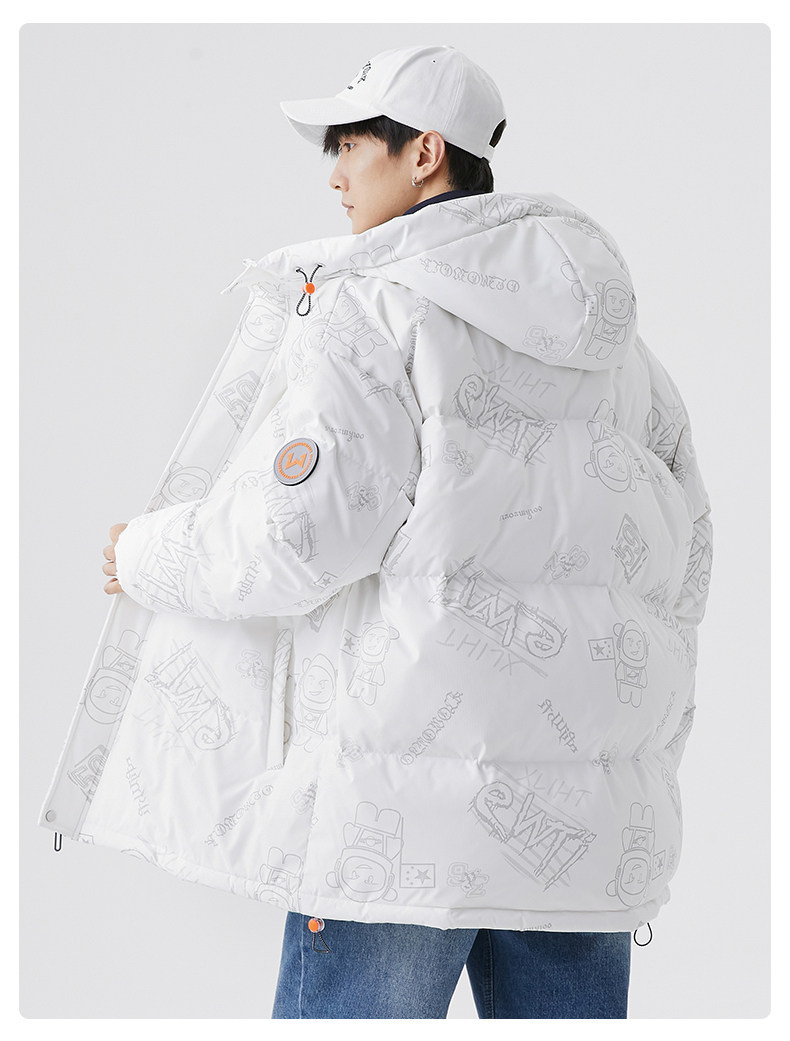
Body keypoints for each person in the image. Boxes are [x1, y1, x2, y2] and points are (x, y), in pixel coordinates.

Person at [41, 44, 713, 1020]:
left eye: (350, 145)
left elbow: (299, 538)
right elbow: (684, 561)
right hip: (581, 847)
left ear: (424, 153)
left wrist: (150, 553)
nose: (334, 174)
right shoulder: (624, 358)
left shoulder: (376, 309)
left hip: (396, 838)